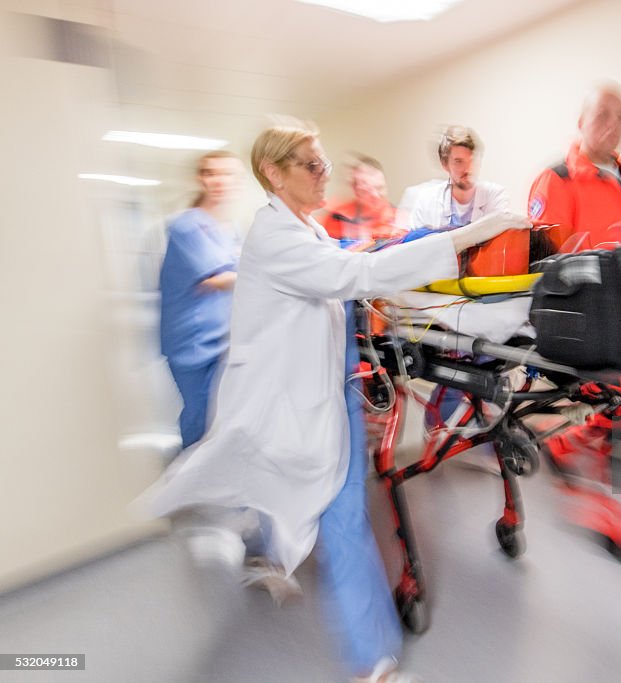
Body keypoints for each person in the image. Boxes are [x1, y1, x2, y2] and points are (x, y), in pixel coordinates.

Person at [144, 121, 530, 682]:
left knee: (333, 512)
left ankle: (362, 648)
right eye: (312, 164)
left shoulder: (303, 228)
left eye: (324, 162)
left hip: (330, 390)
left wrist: (411, 239)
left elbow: (356, 251)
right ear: (274, 174)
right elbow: (358, 274)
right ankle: (369, 658)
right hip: (296, 401)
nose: (324, 173)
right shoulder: (274, 237)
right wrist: (471, 236)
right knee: (333, 513)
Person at [527, 81, 621, 561]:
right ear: (580, 122)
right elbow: (543, 264)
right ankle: (616, 518)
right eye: (602, 115)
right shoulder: (558, 179)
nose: (613, 125)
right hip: (582, 320)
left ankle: (566, 443)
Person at [158, 150, 244, 450]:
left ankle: (208, 479)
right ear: (201, 179)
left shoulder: (230, 228)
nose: (220, 181)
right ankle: (185, 484)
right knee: (200, 417)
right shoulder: (187, 226)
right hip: (193, 344)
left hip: (221, 338)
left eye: (227, 174)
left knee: (220, 415)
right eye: (211, 173)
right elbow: (215, 280)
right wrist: (269, 273)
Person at [319, 154, 401, 243]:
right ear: (356, 191)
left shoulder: (399, 219)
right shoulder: (337, 219)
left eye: (379, 188)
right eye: (367, 191)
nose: (375, 195)